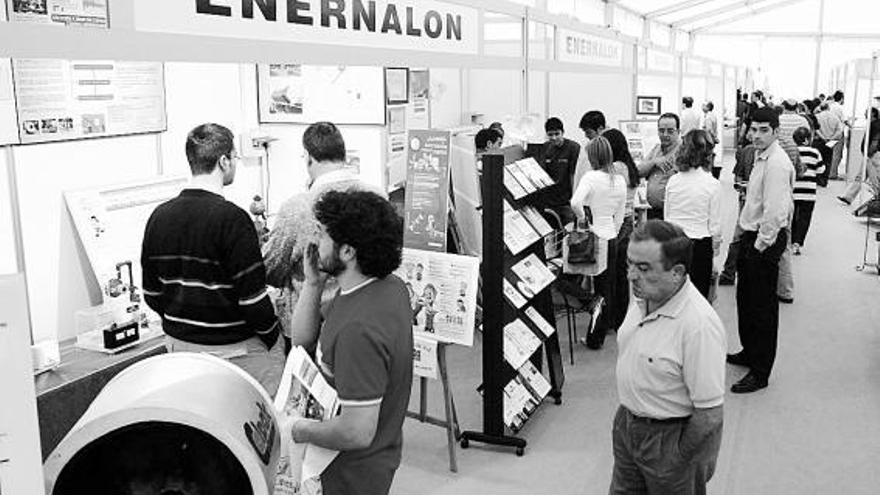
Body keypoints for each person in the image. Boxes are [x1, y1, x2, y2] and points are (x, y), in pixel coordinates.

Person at [141, 123, 282, 393]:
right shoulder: (233, 219)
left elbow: (152, 294)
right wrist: (273, 336)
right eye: (235, 158)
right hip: (236, 354)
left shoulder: (159, 217)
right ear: (224, 161)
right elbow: (252, 301)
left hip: (179, 352)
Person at [288, 190, 413, 495]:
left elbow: (356, 431)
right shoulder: (386, 287)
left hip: (347, 474)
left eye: (323, 235)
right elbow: (302, 342)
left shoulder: (358, 329)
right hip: (371, 458)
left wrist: (297, 429)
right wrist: (314, 283)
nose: (317, 243)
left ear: (347, 252)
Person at [610, 220, 725, 495]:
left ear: (677, 272)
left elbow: (709, 415)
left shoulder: (698, 325)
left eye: (644, 268)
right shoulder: (642, 296)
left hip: (671, 437)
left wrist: (678, 458)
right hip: (628, 425)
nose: (631, 276)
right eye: (630, 264)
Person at [263, 121, 384, 354]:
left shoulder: (300, 207)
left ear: (308, 158)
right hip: (369, 317)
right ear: (344, 154)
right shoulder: (376, 196)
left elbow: (270, 268)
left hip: (310, 324)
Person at [728, 107, 795, 394]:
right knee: (746, 301)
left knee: (763, 309)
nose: (756, 135)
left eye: (763, 130)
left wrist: (759, 245)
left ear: (776, 132)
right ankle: (750, 351)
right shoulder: (759, 156)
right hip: (752, 237)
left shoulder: (777, 163)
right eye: (753, 129)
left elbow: (775, 213)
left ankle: (761, 370)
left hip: (763, 241)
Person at [570, 136, 626, 349]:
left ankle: (591, 304)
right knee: (606, 288)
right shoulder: (619, 180)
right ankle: (596, 337)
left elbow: (575, 202)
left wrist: (584, 219)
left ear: (593, 156)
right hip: (610, 236)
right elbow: (620, 216)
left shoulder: (590, 177)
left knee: (567, 279)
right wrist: (613, 231)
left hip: (592, 236)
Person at [664, 130, 722, 299]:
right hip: (700, 247)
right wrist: (715, 256)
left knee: (674, 297)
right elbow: (715, 226)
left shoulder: (673, 181)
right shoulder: (712, 185)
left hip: (674, 244)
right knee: (698, 298)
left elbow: (667, 216)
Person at [604, 129, 639, 328]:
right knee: (620, 273)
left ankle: (610, 318)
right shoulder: (628, 165)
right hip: (627, 222)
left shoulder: (615, 168)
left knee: (610, 274)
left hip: (615, 223)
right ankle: (619, 318)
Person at [718, 143, 758, 286]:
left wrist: (743, 188)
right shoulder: (778, 154)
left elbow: (737, 179)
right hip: (765, 204)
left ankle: (729, 273)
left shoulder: (746, 151)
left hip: (746, 200)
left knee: (738, 235)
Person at [538, 117, 581, 226]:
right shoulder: (545, 148)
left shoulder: (573, 148)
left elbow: (573, 175)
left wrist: (574, 199)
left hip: (567, 201)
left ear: (563, 132)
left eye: (557, 134)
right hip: (549, 201)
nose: (554, 137)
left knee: (569, 232)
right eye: (550, 135)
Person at [638, 113, 682, 220]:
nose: (665, 134)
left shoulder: (683, 152)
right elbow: (638, 171)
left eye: (670, 131)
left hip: (673, 213)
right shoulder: (656, 149)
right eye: (661, 130)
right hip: (653, 211)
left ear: (678, 132)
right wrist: (654, 162)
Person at [792, 127, 825, 255]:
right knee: (804, 218)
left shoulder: (792, 152)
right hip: (809, 192)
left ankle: (791, 239)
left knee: (792, 217)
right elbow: (821, 170)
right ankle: (798, 243)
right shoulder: (815, 152)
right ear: (807, 139)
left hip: (793, 191)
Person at [838, 108, 880, 205]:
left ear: (872, 114)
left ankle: (877, 197)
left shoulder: (876, 125)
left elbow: (875, 140)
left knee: (875, 178)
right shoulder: (873, 124)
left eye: (866, 113)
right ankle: (848, 197)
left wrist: (869, 153)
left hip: (872, 155)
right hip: (869, 155)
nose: (864, 115)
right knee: (860, 177)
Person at [574, 110, 608, 188]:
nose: (586, 135)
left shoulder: (609, 147)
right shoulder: (586, 145)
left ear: (600, 129)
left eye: (588, 132)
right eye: (585, 132)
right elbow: (580, 172)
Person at [815, 101, 843, 187]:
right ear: (828, 108)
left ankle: (818, 179)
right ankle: (824, 180)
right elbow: (839, 130)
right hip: (830, 143)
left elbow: (815, 129)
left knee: (818, 160)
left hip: (819, 141)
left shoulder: (817, 117)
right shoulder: (835, 117)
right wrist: (832, 138)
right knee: (828, 161)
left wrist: (822, 137)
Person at [828, 90, 848, 180]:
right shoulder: (839, 108)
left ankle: (829, 173)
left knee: (830, 154)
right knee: (837, 154)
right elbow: (845, 120)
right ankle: (833, 174)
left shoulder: (830, 106)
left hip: (829, 132)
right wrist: (852, 126)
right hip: (838, 133)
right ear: (842, 98)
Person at [702, 101, 721, 178]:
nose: (702, 107)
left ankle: (708, 174)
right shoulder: (712, 115)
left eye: (704, 105)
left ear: (708, 107)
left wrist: (714, 137)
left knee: (708, 157)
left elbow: (709, 129)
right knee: (710, 156)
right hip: (711, 139)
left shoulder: (708, 117)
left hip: (708, 139)